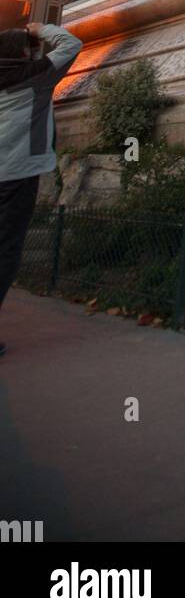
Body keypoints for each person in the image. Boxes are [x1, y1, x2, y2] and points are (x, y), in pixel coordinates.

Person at [0, 22, 83, 354]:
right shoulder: (36, 75)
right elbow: (71, 43)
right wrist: (40, 28)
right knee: (6, 250)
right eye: (30, 48)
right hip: (17, 174)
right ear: (24, 52)